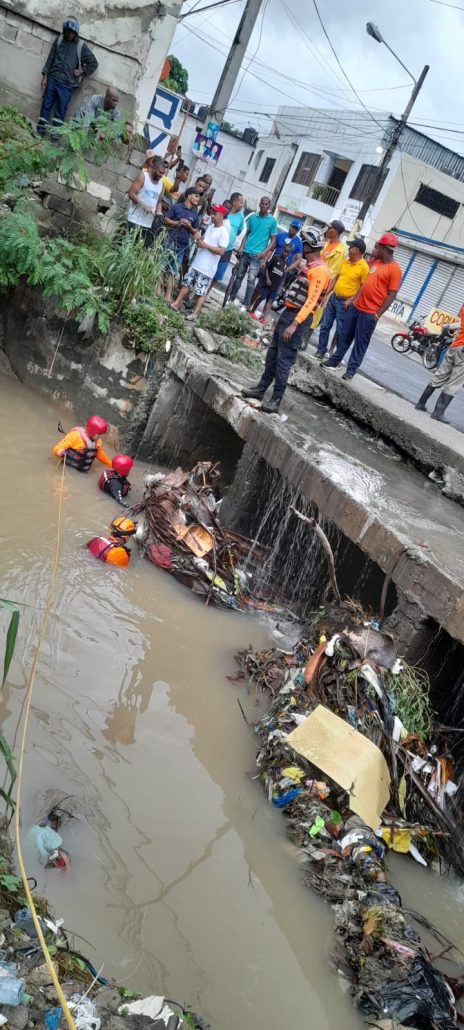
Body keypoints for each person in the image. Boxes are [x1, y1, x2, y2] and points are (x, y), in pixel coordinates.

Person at [241, 228, 331, 413]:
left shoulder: (321, 271)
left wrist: (294, 324)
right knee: (273, 354)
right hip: (289, 314)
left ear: (308, 246)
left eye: (304, 244)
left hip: (297, 319)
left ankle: (275, 400)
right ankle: (260, 389)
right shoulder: (311, 267)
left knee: (284, 360)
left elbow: (311, 302)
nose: (302, 247)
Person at [324, 232, 402, 380]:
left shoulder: (394, 269)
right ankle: (335, 360)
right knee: (345, 335)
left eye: (377, 247)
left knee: (360, 342)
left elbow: (392, 295)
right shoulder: (373, 263)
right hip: (356, 306)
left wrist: (377, 314)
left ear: (384, 249)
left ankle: (351, 370)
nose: (374, 249)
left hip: (370, 312)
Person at [38, 18, 98, 135]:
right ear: (64, 31)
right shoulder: (59, 39)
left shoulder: (81, 46)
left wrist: (82, 71)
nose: (69, 34)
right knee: (46, 106)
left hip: (66, 84)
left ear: (75, 33)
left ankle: (55, 136)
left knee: (60, 111)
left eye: (72, 32)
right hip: (52, 79)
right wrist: (45, 76)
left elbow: (93, 63)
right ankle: (40, 132)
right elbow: (51, 58)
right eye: (67, 31)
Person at [170, 205, 229, 319]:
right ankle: (176, 303)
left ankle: (195, 314)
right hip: (197, 262)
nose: (212, 216)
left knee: (201, 291)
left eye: (215, 214)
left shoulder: (223, 232)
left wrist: (206, 245)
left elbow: (222, 251)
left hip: (207, 268)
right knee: (186, 283)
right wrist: (199, 240)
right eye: (212, 213)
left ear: (222, 216)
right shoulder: (211, 227)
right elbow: (203, 243)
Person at [316, 237, 369, 359]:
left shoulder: (363, 267)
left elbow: (362, 287)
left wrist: (350, 300)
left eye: (351, 247)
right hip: (334, 297)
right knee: (325, 325)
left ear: (357, 250)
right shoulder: (345, 261)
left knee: (340, 330)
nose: (349, 248)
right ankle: (321, 350)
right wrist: (325, 294)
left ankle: (331, 351)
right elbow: (336, 278)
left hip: (345, 303)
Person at [415, 306, 464, 422]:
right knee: (455, 382)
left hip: (455, 345)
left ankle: (421, 403)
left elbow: (459, 320)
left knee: (440, 375)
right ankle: (438, 413)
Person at [229, 197, 278, 307]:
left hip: (257, 256)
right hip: (245, 252)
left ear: (269, 206)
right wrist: (241, 246)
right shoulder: (253, 217)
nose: (264, 206)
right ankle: (231, 299)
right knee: (239, 277)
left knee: (251, 281)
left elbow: (273, 240)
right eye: (262, 204)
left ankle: (246, 305)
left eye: (266, 204)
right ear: (259, 204)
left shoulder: (272, 221)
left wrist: (264, 253)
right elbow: (247, 234)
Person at [163, 187, 201, 302]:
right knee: (162, 265)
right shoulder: (176, 207)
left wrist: (189, 226)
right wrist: (178, 222)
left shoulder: (194, 214)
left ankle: (168, 295)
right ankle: (158, 289)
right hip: (169, 240)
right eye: (196, 196)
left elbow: (196, 232)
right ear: (189, 196)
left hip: (182, 245)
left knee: (174, 271)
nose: (198, 199)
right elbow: (165, 220)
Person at [126, 154, 164, 248]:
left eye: (163, 173)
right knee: (127, 246)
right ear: (153, 168)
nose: (161, 175)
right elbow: (131, 193)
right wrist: (143, 205)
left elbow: (159, 201)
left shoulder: (162, 184)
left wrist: (159, 212)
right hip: (134, 219)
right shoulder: (143, 177)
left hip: (147, 223)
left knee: (139, 250)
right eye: (160, 172)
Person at [249, 242, 292, 324]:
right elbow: (267, 268)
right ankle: (252, 311)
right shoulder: (276, 258)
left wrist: (281, 286)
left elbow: (283, 275)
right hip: (268, 283)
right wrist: (268, 279)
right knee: (261, 297)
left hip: (275, 286)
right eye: (285, 251)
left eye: (288, 253)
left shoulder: (286, 264)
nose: (286, 254)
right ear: (282, 250)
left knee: (269, 301)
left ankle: (263, 317)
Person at [211, 193, 245, 287]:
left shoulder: (241, 216)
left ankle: (206, 293)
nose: (242, 205)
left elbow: (238, 231)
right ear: (234, 202)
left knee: (218, 274)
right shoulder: (222, 213)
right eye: (241, 202)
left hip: (228, 249)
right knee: (209, 268)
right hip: (215, 246)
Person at [321, 220, 346, 287]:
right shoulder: (325, 244)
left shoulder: (340, 250)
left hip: (322, 282)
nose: (327, 230)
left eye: (329, 228)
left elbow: (333, 273)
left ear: (336, 232)